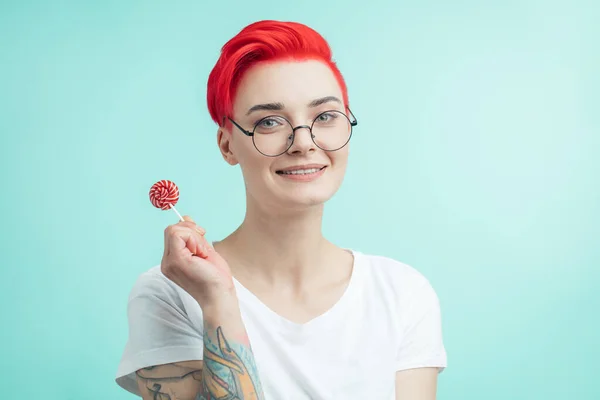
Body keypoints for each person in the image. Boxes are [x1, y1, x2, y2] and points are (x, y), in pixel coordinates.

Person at [115, 20, 447, 400]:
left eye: (324, 116)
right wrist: (219, 302)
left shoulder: (402, 293)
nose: (304, 143)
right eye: (269, 122)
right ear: (227, 146)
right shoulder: (170, 292)